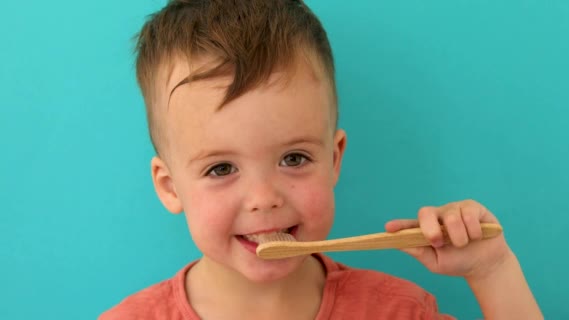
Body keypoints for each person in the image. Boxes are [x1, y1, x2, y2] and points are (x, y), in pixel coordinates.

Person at [100, 0, 543, 319]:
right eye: (221, 168)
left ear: (334, 159)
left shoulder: (396, 312)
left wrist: (492, 270)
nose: (263, 198)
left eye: (293, 158)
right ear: (170, 186)